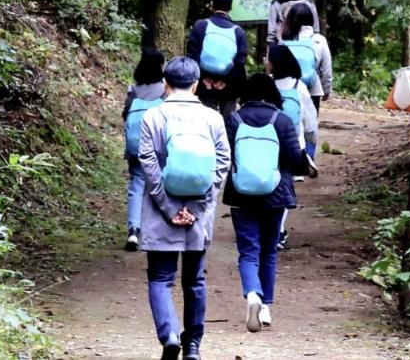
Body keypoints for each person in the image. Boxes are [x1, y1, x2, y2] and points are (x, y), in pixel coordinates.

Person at [138, 57, 231, 360]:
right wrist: (198, 208)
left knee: (160, 278)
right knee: (194, 280)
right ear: (196, 84)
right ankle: (192, 346)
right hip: (197, 214)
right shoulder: (213, 118)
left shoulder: (153, 116)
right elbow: (222, 164)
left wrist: (168, 208)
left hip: (160, 211)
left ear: (165, 83)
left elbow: (149, 165)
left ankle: (169, 335)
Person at [223, 73, 308, 333]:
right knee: (269, 251)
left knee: (248, 251)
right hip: (275, 195)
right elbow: (294, 160)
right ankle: (266, 307)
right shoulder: (282, 120)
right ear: (272, 93)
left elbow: (224, 154)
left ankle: (252, 294)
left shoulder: (233, 119)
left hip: (241, 194)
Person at [268, 44, 318, 249]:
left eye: (268, 58)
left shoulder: (267, 84)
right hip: (293, 145)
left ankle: (270, 229)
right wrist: (311, 145)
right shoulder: (299, 87)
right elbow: (310, 123)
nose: (265, 62)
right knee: (285, 188)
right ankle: (278, 230)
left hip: (267, 142)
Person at [122, 48, 165, 251]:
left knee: (137, 186)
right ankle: (155, 230)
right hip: (158, 146)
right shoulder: (165, 90)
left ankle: (133, 230)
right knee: (158, 184)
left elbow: (126, 116)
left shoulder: (133, 90)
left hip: (136, 146)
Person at [187, 0, 248, 117]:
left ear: (212, 4)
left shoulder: (200, 25)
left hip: (204, 84)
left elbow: (192, 57)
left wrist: (204, 79)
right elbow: (239, 63)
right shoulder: (238, 32)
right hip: (228, 86)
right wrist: (224, 82)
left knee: (205, 119)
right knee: (229, 120)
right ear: (230, 7)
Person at [282, 2, 332, 116]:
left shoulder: (285, 41)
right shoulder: (319, 40)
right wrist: (326, 89)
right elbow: (326, 69)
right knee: (310, 122)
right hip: (312, 88)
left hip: (289, 89)